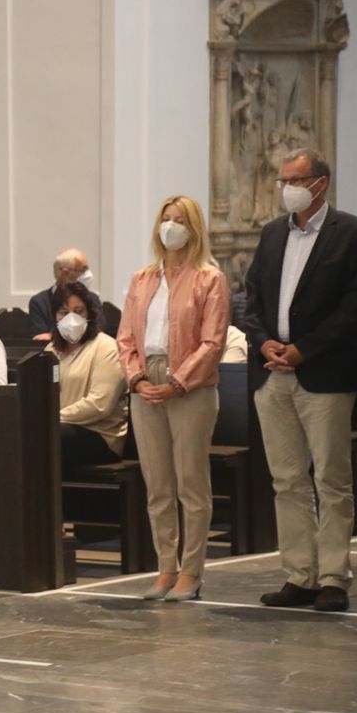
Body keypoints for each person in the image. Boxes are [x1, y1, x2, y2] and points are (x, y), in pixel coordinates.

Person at [243, 147, 357, 613]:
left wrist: (305, 348)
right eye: (283, 180)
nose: (287, 188)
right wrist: (263, 342)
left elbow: (352, 307)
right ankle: (300, 574)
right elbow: (251, 297)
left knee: (331, 479)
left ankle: (333, 577)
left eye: (296, 180)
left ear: (320, 183)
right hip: (273, 372)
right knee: (287, 479)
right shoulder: (273, 233)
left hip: (324, 372)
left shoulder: (348, 232)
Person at [117, 195, 229, 602]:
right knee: (158, 484)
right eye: (166, 219)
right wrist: (137, 378)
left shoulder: (209, 278)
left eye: (180, 220)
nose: (171, 227)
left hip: (191, 385)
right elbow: (125, 337)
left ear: (193, 228)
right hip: (146, 381)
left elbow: (212, 342)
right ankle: (166, 566)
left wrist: (178, 382)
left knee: (191, 483)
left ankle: (191, 571)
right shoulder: (143, 278)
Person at [44, 282, 127, 470]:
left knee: (48, 437)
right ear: (55, 316)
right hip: (59, 426)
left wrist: (52, 418)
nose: (71, 318)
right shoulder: (51, 350)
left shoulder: (107, 348)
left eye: (78, 311)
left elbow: (99, 405)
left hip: (100, 435)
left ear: (90, 314)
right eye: (64, 312)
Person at [28, 248, 109, 339]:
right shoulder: (39, 302)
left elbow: (99, 329)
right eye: (83, 270)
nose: (88, 274)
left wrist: (54, 336)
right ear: (66, 272)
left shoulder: (92, 298)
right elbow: (40, 337)